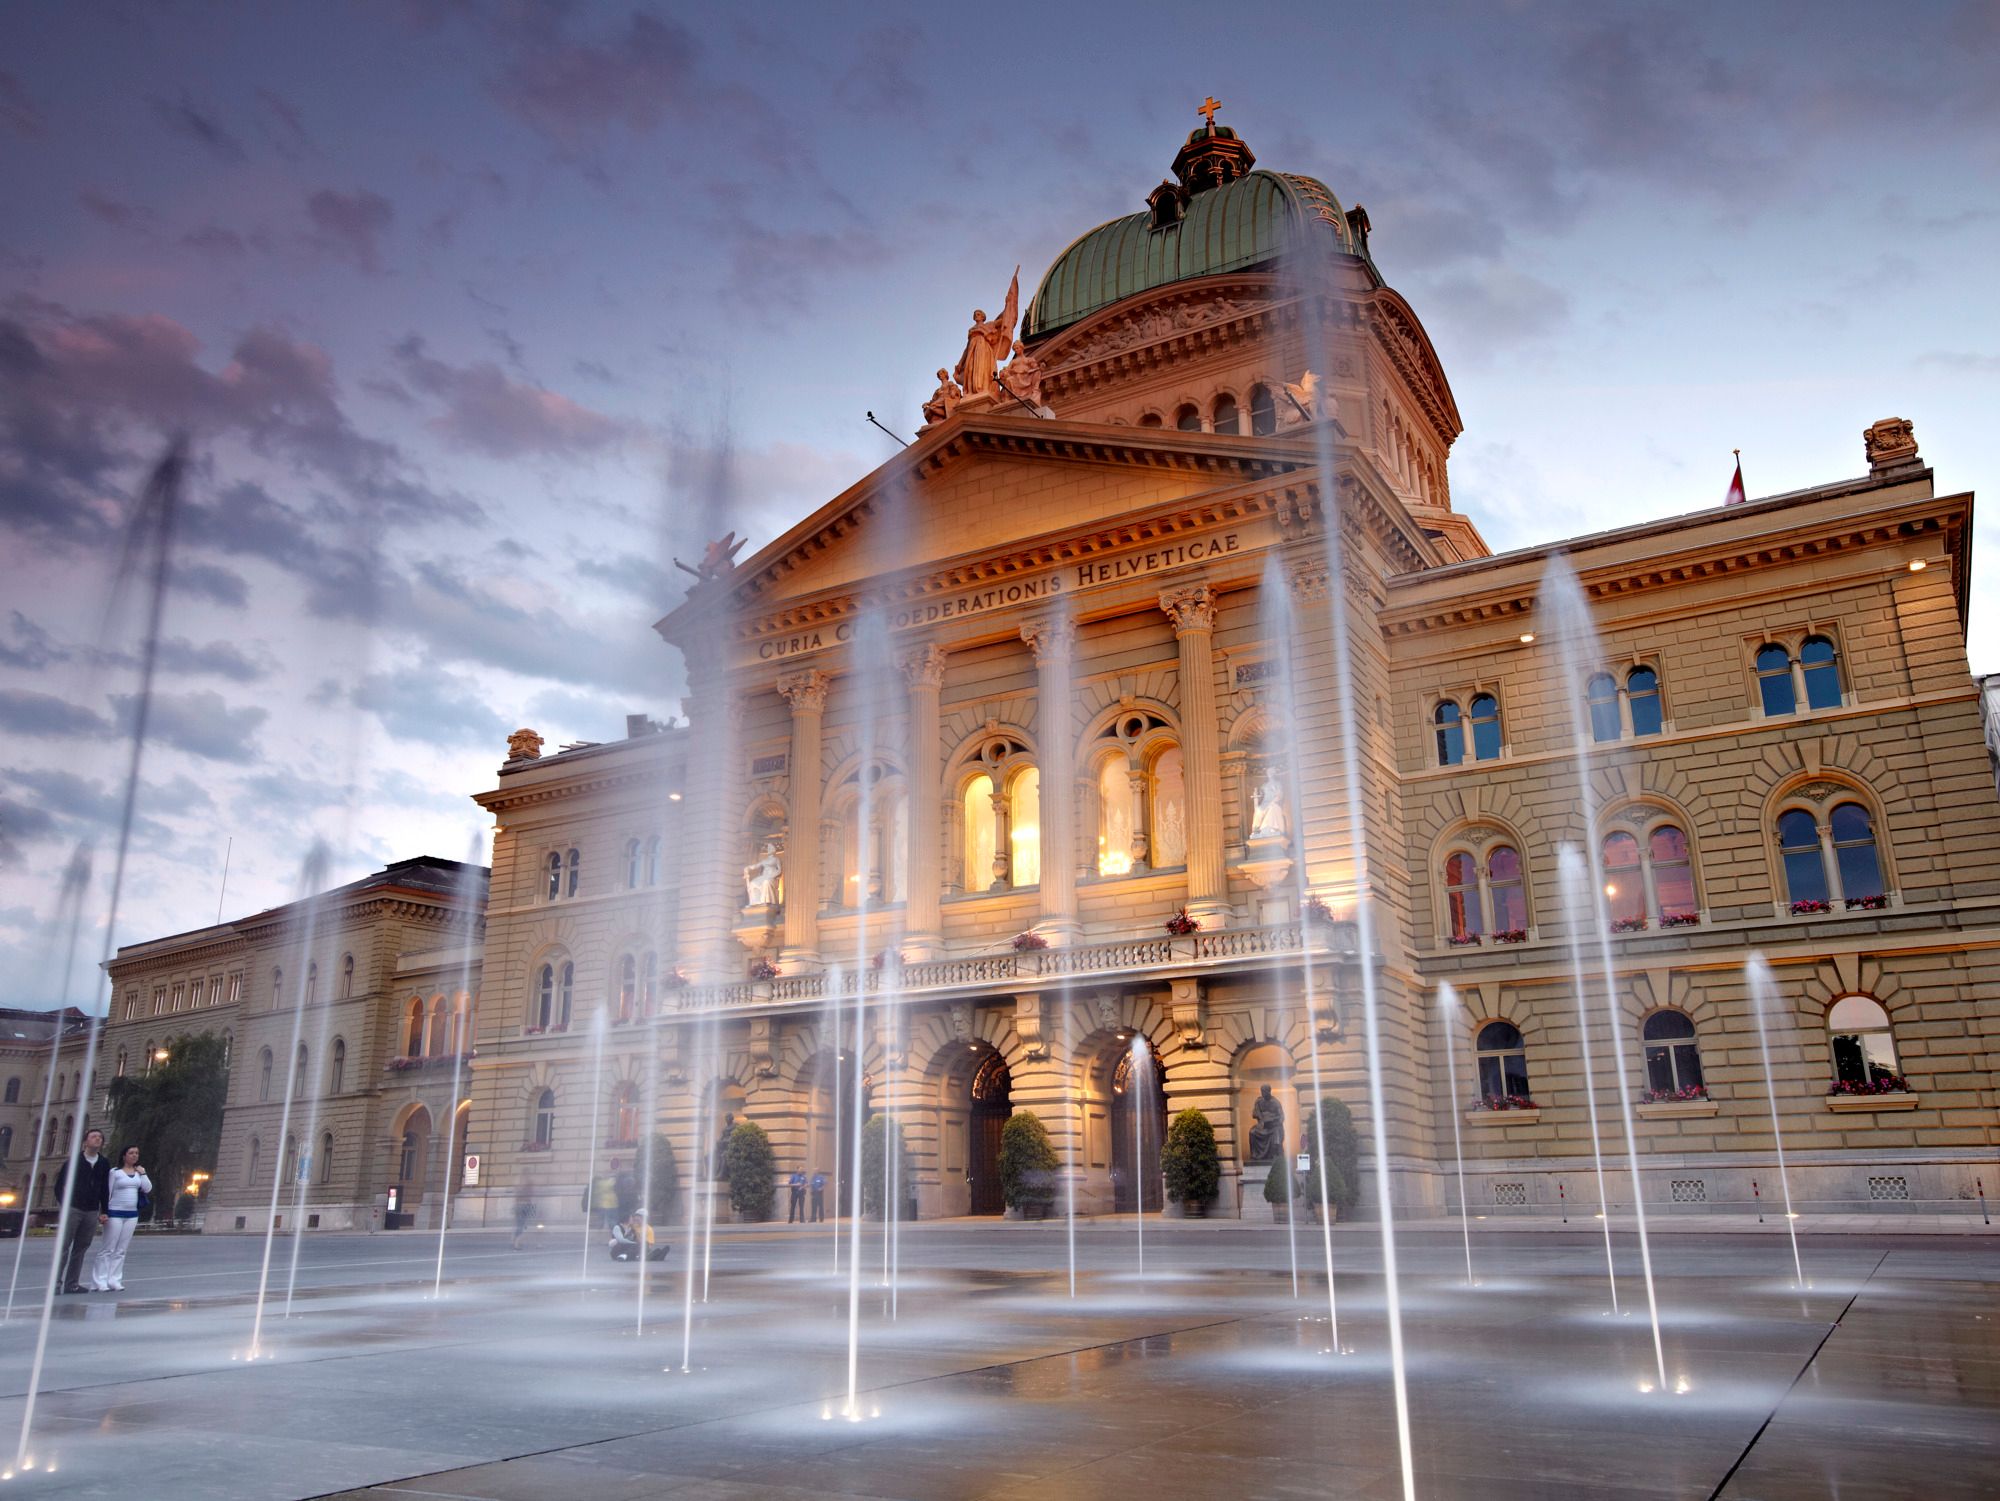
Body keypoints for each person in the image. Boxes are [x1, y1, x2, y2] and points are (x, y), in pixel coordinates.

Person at [91, 1144, 150, 1293]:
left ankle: (114, 1279)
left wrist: (143, 1173)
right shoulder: (115, 1172)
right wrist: (104, 1211)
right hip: (115, 1212)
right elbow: (107, 1192)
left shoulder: (138, 1173)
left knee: (121, 1249)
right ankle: (100, 1280)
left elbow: (147, 1188)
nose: (134, 1155)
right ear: (124, 1156)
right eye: (131, 1153)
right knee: (108, 1248)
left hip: (131, 1215)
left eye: (137, 1153)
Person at [59, 1128, 110, 1295]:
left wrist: (104, 1210)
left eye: (100, 1137)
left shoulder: (103, 1163)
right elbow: (60, 1185)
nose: (97, 1139)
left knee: (81, 1248)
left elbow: (104, 1188)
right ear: (85, 1141)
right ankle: (56, 1282)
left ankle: (72, 1283)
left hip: (91, 1211)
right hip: (73, 1208)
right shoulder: (74, 1161)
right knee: (64, 1246)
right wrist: (65, 1203)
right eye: (94, 1136)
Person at [512, 1177, 538, 1250]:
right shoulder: (528, 1189)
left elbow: (516, 1199)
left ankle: (515, 1241)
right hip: (525, 1207)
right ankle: (516, 1243)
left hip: (519, 1207)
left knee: (519, 1225)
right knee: (522, 1226)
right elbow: (531, 1199)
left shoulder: (519, 1188)